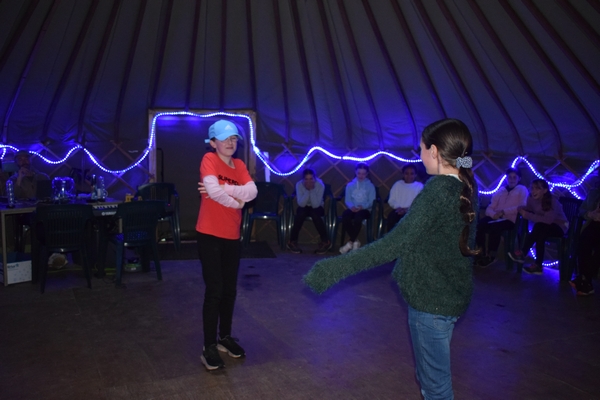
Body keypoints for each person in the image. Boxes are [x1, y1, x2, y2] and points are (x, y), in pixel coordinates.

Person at [304, 118, 479, 399]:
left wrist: (332, 269)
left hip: (431, 302)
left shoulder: (437, 190)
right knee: (431, 376)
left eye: (421, 149)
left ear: (434, 151)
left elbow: (392, 245)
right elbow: (467, 163)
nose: (419, 156)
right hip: (451, 295)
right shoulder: (467, 182)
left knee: (435, 387)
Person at [196, 120, 258, 371]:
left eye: (233, 138)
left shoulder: (240, 165)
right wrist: (238, 202)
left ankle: (224, 337)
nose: (230, 143)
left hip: (232, 235)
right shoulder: (209, 160)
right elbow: (214, 192)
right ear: (213, 143)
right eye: (224, 139)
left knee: (229, 290)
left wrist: (223, 188)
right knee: (215, 291)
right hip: (209, 234)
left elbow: (252, 192)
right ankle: (208, 346)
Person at [508, 179, 568, 274]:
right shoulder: (531, 199)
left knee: (539, 226)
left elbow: (548, 220)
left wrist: (527, 215)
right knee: (540, 232)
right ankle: (537, 265)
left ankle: (523, 253)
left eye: (537, 188)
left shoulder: (552, 201)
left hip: (559, 226)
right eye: (532, 188)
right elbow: (530, 208)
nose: (533, 191)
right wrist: (522, 208)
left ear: (545, 190)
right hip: (543, 228)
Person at [474, 168, 528, 267]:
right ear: (506, 178)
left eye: (514, 177)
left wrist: (504, 212)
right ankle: (481, 253)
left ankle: (491, 255)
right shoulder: (501, 190)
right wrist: (493, 214)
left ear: (519, 178)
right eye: (509, 177)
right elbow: (490, 207)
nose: (511, 179)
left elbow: (522, 206)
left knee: (495, 227)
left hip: (510, 220)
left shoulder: (522, 189)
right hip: (496, 217)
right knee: (479, 225)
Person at [286, 169, 331, 255]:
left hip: (318, 206)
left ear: (315, 178)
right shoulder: (299, 185)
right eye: (306, 179)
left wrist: (312, 190)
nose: (309, 181)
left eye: (311, 179)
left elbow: (315, 205)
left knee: (315, 214)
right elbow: (301, 204)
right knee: (300, 214)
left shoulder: (320, 185)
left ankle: (325, 242)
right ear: (303, 179)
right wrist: (307, 191)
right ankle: (292, 241)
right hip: (304, 206)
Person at [339, 162, 376, 254]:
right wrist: (351, 207)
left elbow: (372, 201)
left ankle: (350, 242)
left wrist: (362, 207)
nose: (361, 176)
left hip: (365, 209)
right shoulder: (350, 185)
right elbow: (347, 200)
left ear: (367, 174)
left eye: (363, 174)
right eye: (359, 173)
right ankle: (355, 241)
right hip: (353, 208)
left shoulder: (370, 186)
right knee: (345, 215)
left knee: (358, 218)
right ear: (355, 172)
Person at [570, 186, 600, 295]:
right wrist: (590, 214)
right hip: (593, 224)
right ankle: (585, 280)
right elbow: (582, 209)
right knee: (583, 242)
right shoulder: (594, 192)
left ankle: (584, 279)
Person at [386, 164, 423, 233]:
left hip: (412, 211)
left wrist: (408, 209)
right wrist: (399, 208)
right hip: (398, 211)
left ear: (415, 175)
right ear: (403, 174)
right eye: (406, 173)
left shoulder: (419, 186)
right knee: (392, 218)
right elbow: (391, 200)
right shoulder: (397, 184)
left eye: (412, 174)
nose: (409, 176)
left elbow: (421, 202)